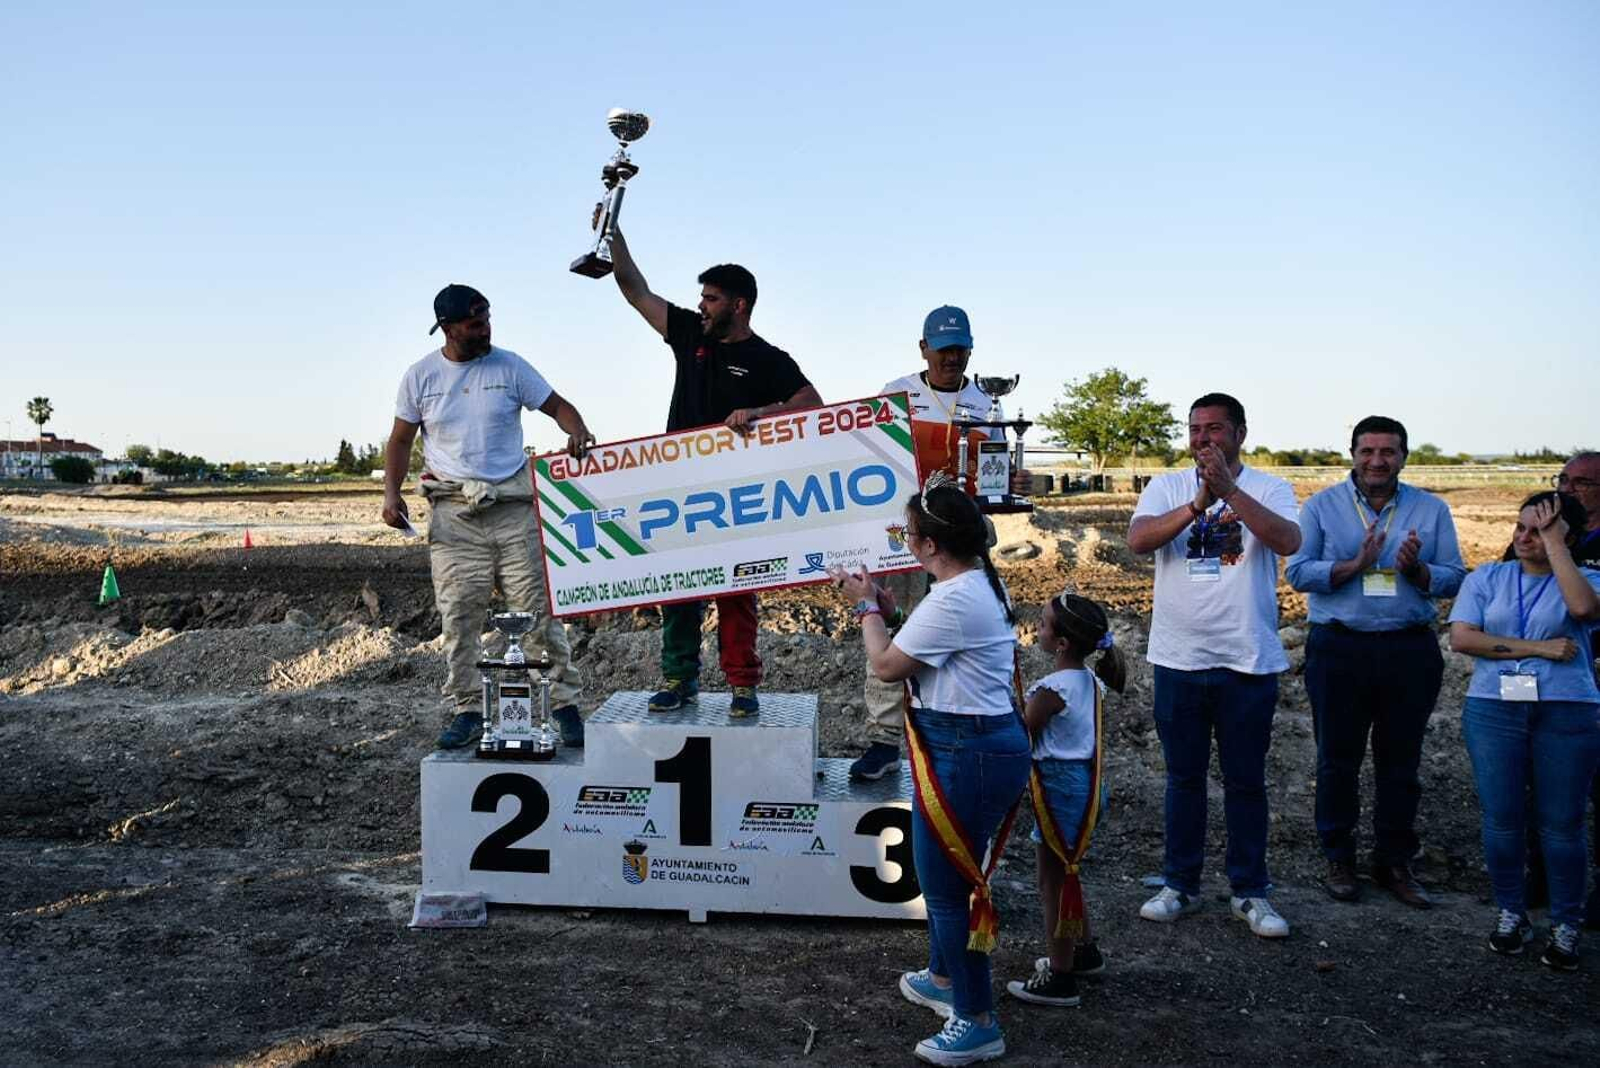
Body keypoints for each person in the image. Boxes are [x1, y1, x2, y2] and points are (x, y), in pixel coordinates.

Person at [831, 473, 1030, 1065]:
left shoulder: (952, 598)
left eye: (910, 533)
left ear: (928, 546)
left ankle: (976, 1018)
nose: (906, 540)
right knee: (948, 877)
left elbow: (889, 666)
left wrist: (866, 608)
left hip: (965, 749)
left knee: (947, 891)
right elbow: (925, 647)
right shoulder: (973, 586)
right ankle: (945, 980)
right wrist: (888, 607)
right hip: (969, 744)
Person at [604, 224, 821, 717]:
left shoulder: (768, 358)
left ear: (739, 305)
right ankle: (679, 679)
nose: (701, 305)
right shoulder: (687, 334)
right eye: (701, 296)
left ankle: (743, 685)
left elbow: (812, 405)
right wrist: (612, 234)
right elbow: (635, 290)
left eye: (711, 297)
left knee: (737, 591)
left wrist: (761, 413)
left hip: (736, 495)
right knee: (678, 588)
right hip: (680, 488)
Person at [382, 284, 595, 749]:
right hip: (454, 516)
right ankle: (467, 709)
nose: (486, 330)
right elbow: (400, 440)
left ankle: (563, 704)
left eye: (488, 319)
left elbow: (558, 406)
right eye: (475, 324)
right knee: (459, 618)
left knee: (537, 614)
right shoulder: (421, 377)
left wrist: (577, 428)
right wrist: (391, 494)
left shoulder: (510, 366)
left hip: (514, 510)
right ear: (448, 327)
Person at [1126, 393, 1301, 938]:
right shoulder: (1167, 486)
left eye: (1216, 429)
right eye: (1196, 429)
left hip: (1246, 660)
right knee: (1184, 779)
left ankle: (1250, 892)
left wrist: (1231, 492)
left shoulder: (1271, 487)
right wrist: (1199, 504)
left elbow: (1288, 540)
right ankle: (1180, 883)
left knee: (1246, 782)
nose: (1204, 438)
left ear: (1241, 433)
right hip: (1179, 658)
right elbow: (1138, 541)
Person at [1285, 415, 1466, 908]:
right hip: (1340, 647)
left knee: (1401, 764)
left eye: (1388, 452)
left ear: (1404, 457)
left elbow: (1455, 577)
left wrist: (1418, 569)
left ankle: (1394, 861)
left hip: (1410, 649)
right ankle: (1339, 858)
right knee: (1337, 760)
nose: (1377, 461)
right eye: (1368, 451)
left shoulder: (1431, 509)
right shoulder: (1322, 507)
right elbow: (1298, 572)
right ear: (1353, 454)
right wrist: (1355, 566)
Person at [850, 305, 1019, 782]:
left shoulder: (989, 400)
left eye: (960, 349)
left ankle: (955, 727)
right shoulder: (896, 394)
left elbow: (994, 469)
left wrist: (1011, 477)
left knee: (963, 623)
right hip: (909, 534)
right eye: (943, 349)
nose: (953, 359)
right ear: (923, 348)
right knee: (894, 621)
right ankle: (884, 740)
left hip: (963, 536)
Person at [1449, 492, 1600, 970]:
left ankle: (1566, 922)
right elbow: (1463, 638)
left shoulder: (1586, 577)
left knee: (1562, 825)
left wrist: (1557, 547)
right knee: (1503, 820)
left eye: (1539, 529)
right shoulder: (1488, 577)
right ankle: (1512, 912)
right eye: (1521, 528)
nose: (1525, 537)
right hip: (1494, 708)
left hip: (1566, 710)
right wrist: (1536, 649)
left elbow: (1582, 610)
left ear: (1567, 537)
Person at [1005, 590, 1125, 1008]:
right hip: (1085, 786)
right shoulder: (1090, 681)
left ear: (1061, 644)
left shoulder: (1053, 688)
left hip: (1059, 790)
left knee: (1052, 881)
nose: (1035, 628)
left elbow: (1022, 734)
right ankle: (1083, 951)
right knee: (1066, 873)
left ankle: (1060, 975)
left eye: (1041, 623)